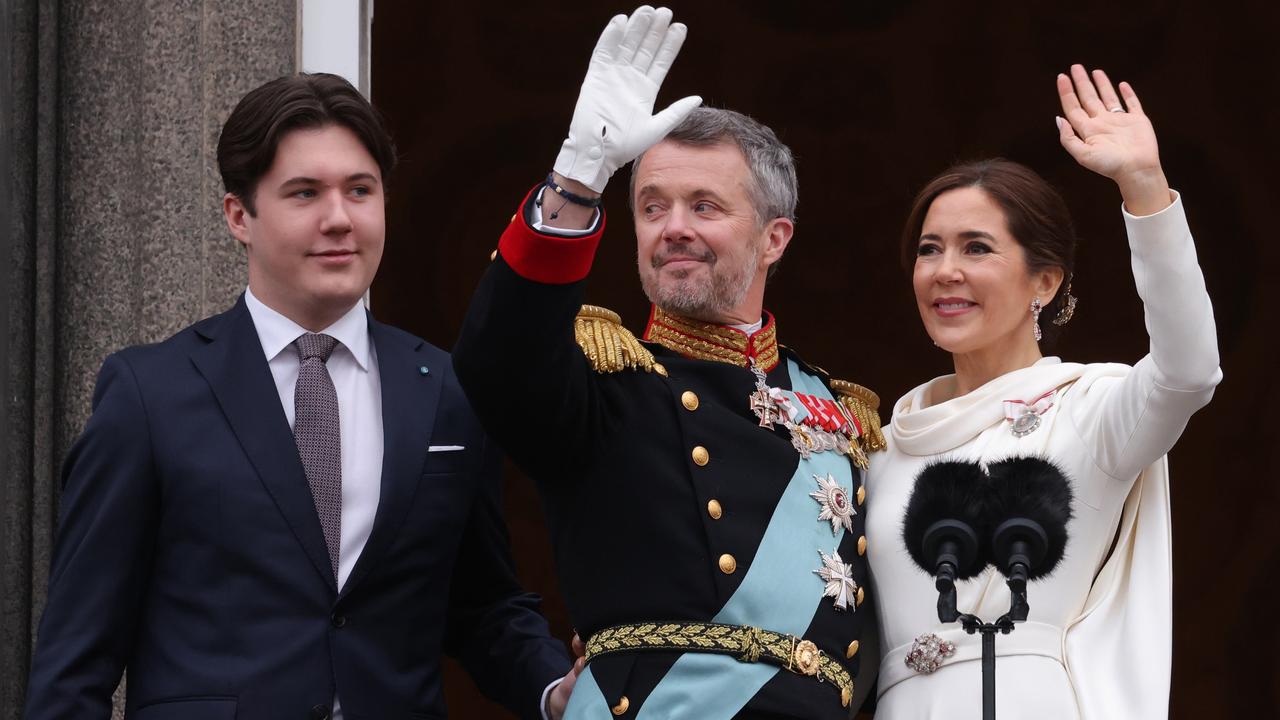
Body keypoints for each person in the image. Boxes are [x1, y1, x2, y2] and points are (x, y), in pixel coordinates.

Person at [23, 73, 574, 720]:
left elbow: (482, 606)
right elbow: (75, 663)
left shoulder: (449, 390)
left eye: (360, 191)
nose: (339, 218)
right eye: (304, 193)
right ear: (239, 217)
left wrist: (556, 690)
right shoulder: (150, 395)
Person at [453, 6, 884, 719]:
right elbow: (497, 361)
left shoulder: (843, 416)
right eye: (653, 207)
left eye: (704, 206)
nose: (674, 228)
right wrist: (581, 174)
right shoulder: (604, 388)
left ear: (774, 238)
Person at [865, 65, 1221, 718]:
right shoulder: (878, 447)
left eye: (977, 249)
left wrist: (1144, 187)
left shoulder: (1089, 411)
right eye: (929, 249)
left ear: (1045, 284)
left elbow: (1189, 371)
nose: (946, 271)